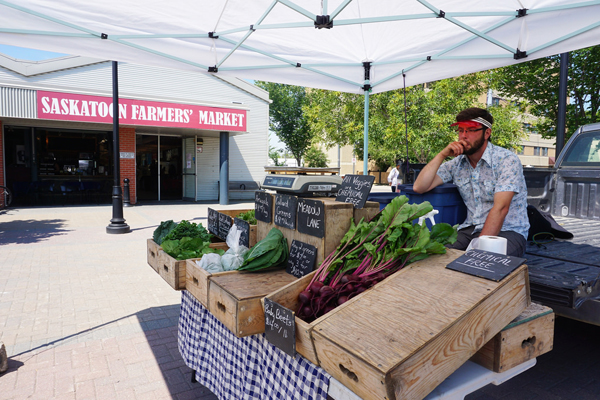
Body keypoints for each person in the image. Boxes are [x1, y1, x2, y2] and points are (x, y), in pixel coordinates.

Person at [413, 107, 529, 257]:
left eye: (470, 130)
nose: (463, 136)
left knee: (482, 263)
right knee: (433, 257)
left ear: (487, 133)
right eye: (461, 130)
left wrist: (478, 250)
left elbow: (501, 209)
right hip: (470, 229)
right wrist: (442, 155)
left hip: (508, 231)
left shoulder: (506, 160)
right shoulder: (457, 163)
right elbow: (419, 187)